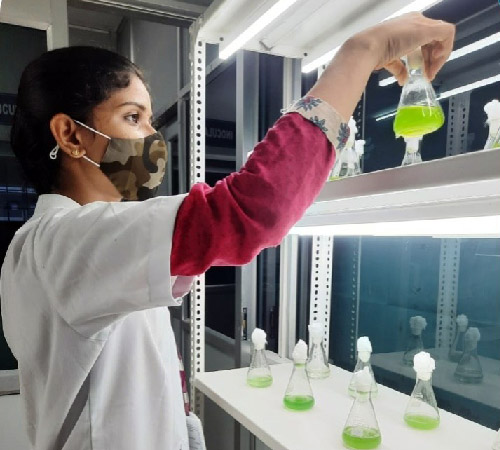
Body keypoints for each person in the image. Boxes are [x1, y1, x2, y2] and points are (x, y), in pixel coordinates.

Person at [0, 12, 454, 450]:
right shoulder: (66, 242)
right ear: (71, 135)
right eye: (133, 117)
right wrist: (363, 49)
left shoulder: (79, 241)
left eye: (149, 120)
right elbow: (253, 209)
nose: (152, 138)